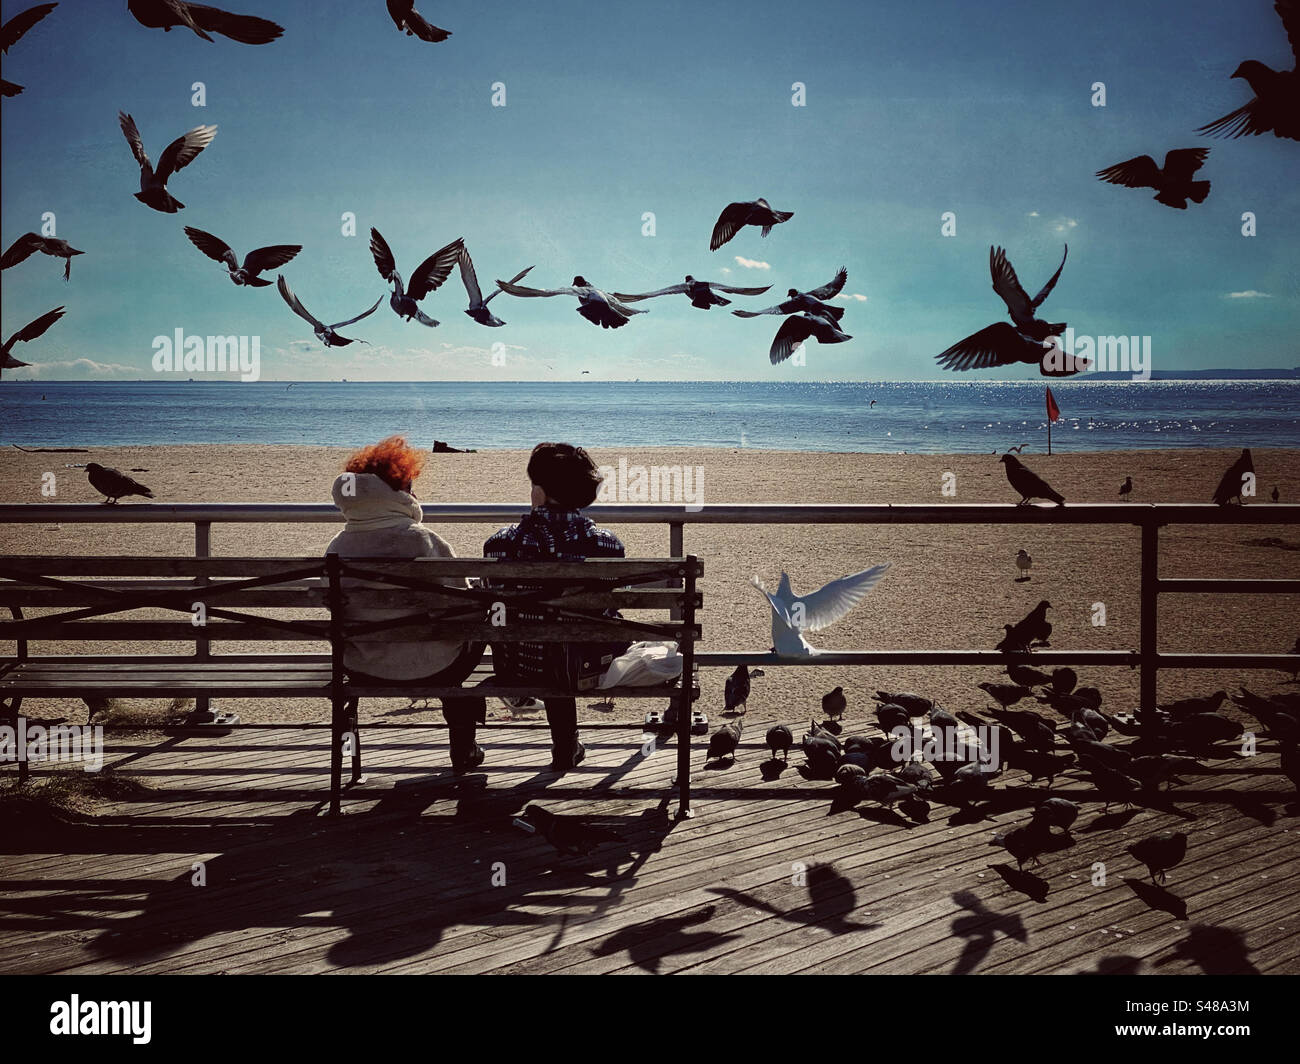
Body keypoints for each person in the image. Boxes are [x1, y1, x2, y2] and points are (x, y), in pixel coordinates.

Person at [325, 435, 486, 772]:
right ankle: (464, 751)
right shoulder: (423, 540)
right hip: (435, 666)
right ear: (398, 492)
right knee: (477, 626)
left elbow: (334, 607)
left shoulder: (337, 548)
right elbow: (462, 603)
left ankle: (348, 765)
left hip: (361, 666)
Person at [483, 442, 626, 771]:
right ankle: (567, 746)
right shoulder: (606, 545)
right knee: (566, 637)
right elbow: (616, 598)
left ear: (539, 491)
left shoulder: (501, 544)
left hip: (520, 665)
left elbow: (497, 601)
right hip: (589, 664)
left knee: (542, 635)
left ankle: (565, 745)